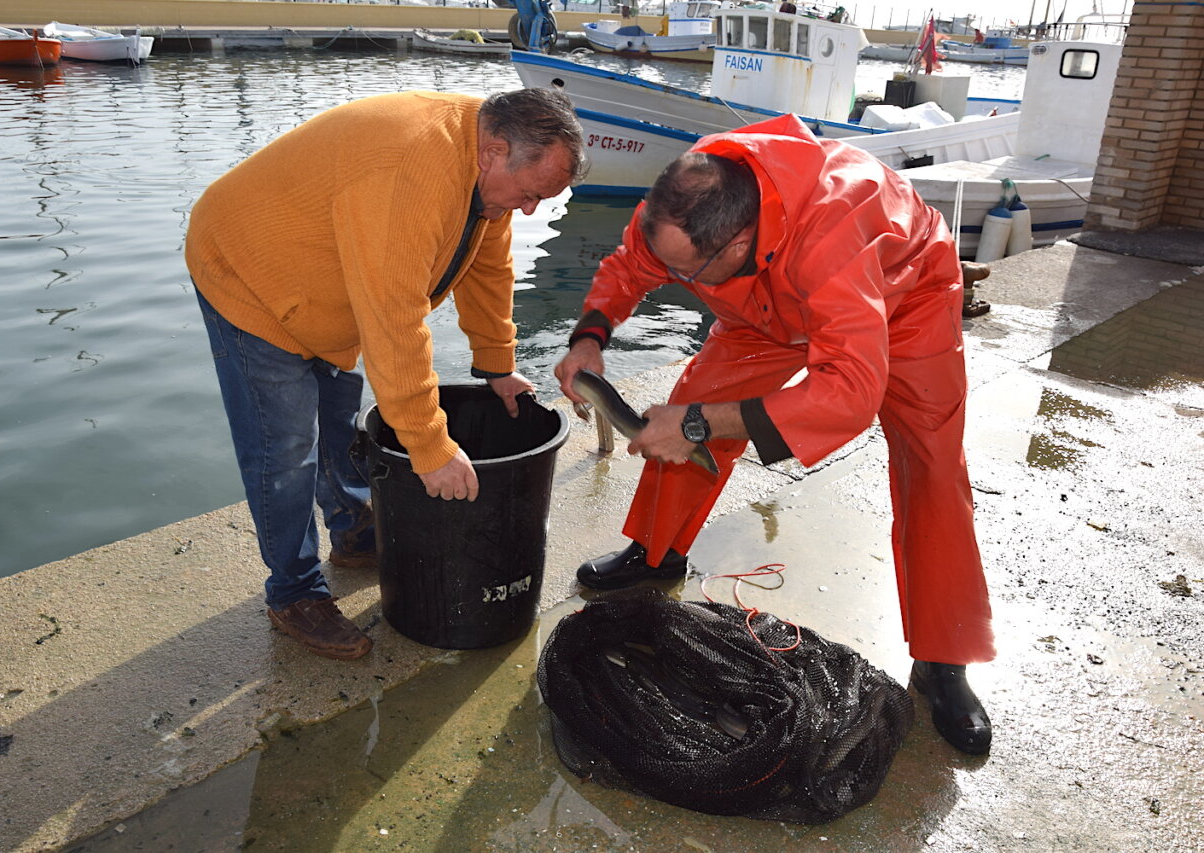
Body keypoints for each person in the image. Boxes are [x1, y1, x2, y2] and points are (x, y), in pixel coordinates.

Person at [554, 114, 995, 754]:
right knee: (688, 402)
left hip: (902, 300)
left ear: (733, 246)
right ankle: (656, 551)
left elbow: (848, 395)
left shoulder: (835, 233)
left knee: (932, 469)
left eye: (686, 274)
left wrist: (701, 425)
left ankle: (944, 660)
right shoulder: (689, 200)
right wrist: (588, 340)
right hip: (761, 307)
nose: (671, 277)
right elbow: (628, 266)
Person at [187, 89, 584, 661]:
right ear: (493, 151)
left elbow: (488, 265)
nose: (528, 210)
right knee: (286, 446)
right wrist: (429, 445)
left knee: (337, 416)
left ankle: (350, 527)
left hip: (328, 279)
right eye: (528, 195)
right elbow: (394, 320)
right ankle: (294, 590)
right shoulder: (410, 172)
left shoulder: (484, 169)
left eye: (539, 201)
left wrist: (498, 364)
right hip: (248, 270)